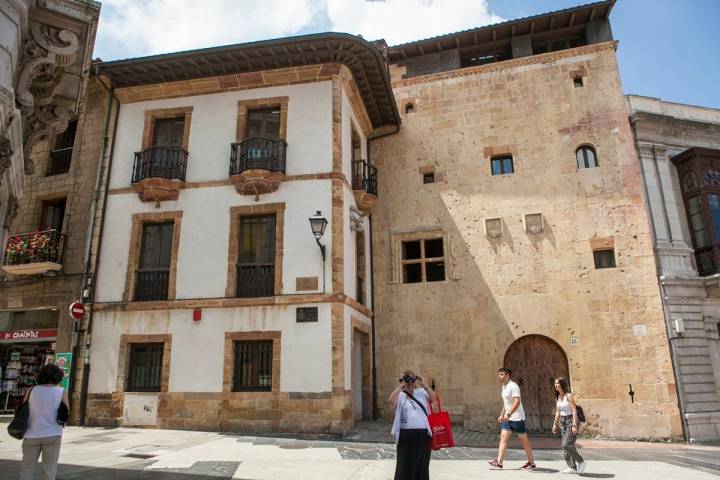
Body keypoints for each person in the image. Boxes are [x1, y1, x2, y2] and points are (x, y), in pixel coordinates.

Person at [20, 364, 69, 480]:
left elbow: (23, 408)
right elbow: (67, 412)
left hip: (31, 433)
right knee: (49, 469)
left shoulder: (31, 390)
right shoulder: (61, 391)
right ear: (58, 377)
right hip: (53, 434)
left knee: (27, 468)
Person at [389, 370, 438, 480]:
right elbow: (391, 403)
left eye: (412, 380)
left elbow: (434, 399)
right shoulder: (400, 395)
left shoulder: (421, 393)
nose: (410, 383)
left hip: (423, 435)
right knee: (404, 463)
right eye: (407, 380)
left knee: (421, 464)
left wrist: (423, 384)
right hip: (405, 435)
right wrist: (401, 386)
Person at [488, 367, 536, 471]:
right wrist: (502, 414)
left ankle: (531, 463)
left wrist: (509, 414)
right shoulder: (504, 387)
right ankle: (499, 463)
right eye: (499, 374)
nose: (499, 376)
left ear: (507, 375)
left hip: (517, 418)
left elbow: (517, 402)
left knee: (524, 441)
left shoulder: (513, 386)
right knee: (503, 438)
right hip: (507, 419)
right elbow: (506, 403)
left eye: (501, 374)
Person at [552, 377, 586, 474]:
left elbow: (574, 411)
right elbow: (558, 411)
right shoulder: (558, 397)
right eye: (555, 383)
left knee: (566, 444)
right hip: (562, 422)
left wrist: (575, 425)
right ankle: (572, 467)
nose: (555, 385)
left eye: (557, 383)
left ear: (562, 384)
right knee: (565, 446)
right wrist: (555, 424)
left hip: (571, 420)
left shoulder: (569, 396)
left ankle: (580, 461)